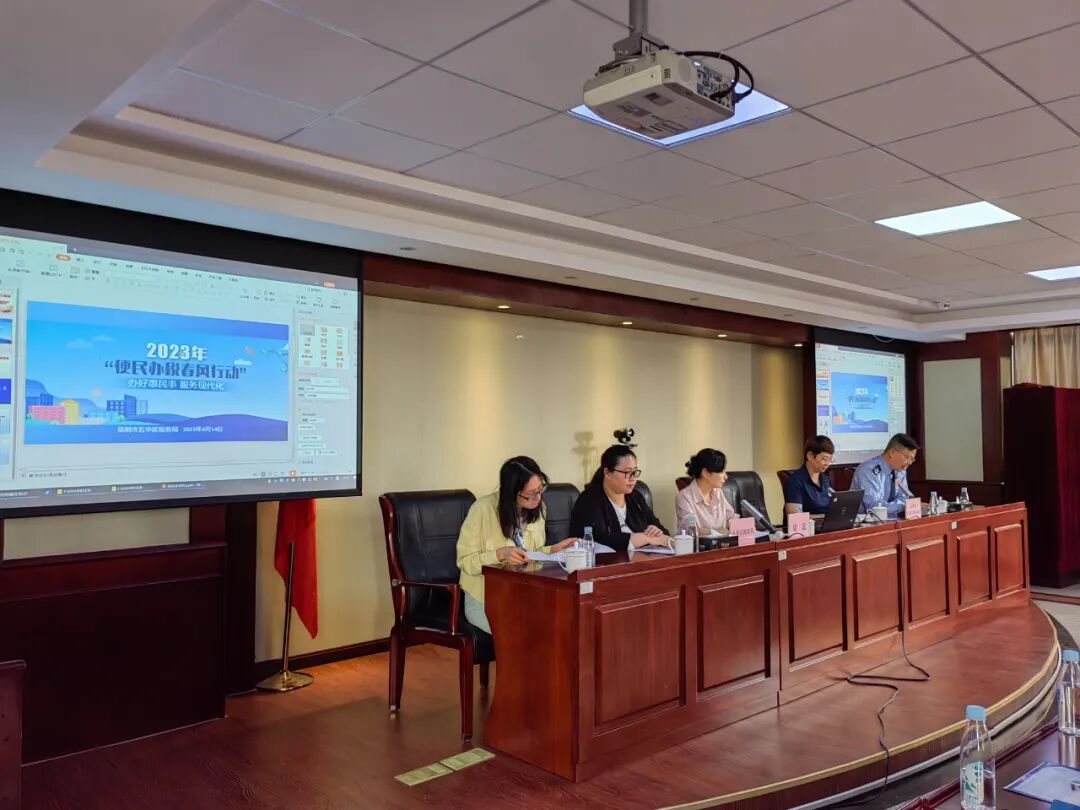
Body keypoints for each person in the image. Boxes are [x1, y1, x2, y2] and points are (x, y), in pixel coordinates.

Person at [456, 456, 577, 634]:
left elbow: (530, 554)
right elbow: (465, 561)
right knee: (520, 633)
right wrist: (499, 554)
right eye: (531, 494)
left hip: (525, 593)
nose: (538, 497)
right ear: (512, 492)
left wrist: (552, 550)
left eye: (541, 489)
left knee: (561, 624)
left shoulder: (539, 509)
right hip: (485, 598)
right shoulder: (482, 510)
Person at [569, 444, 669, 552]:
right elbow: (598, 540)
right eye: (627, 472)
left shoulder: (636, 497)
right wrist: (644, 538)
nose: (633, 478)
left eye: (635, 472)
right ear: (607, 473)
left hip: (641, 559)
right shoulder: (590, 499)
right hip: (607, 561)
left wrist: (656, 531)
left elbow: (664, 533)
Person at [851, 433, 919, 518]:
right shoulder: (868, 470)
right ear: (892, 453)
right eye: (907, 457)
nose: (910, 463)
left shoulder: (900, 470)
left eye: (912, 459)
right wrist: (903, 507)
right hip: (864, 522)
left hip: (891, 520)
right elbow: (873, 507)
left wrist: (905, 506)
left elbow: (904, 498)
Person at [675, 448, 736, 535]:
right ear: (705, 473)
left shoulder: (718, 492)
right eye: (721, 472)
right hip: (699, 544)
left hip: (724, 543)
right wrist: (718, 532)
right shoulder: (684, 497)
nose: (726, 477)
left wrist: (746, 526)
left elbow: (731, 517)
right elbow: (691, 529)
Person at [784, 435, 836, 516]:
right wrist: (823, 517)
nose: (827, 464)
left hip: (828, 523)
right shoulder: (795, 480)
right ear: (810, 456)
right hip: (807, 524)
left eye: (830, 459)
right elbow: (795, 516)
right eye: (824, 459)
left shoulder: (826, 480)